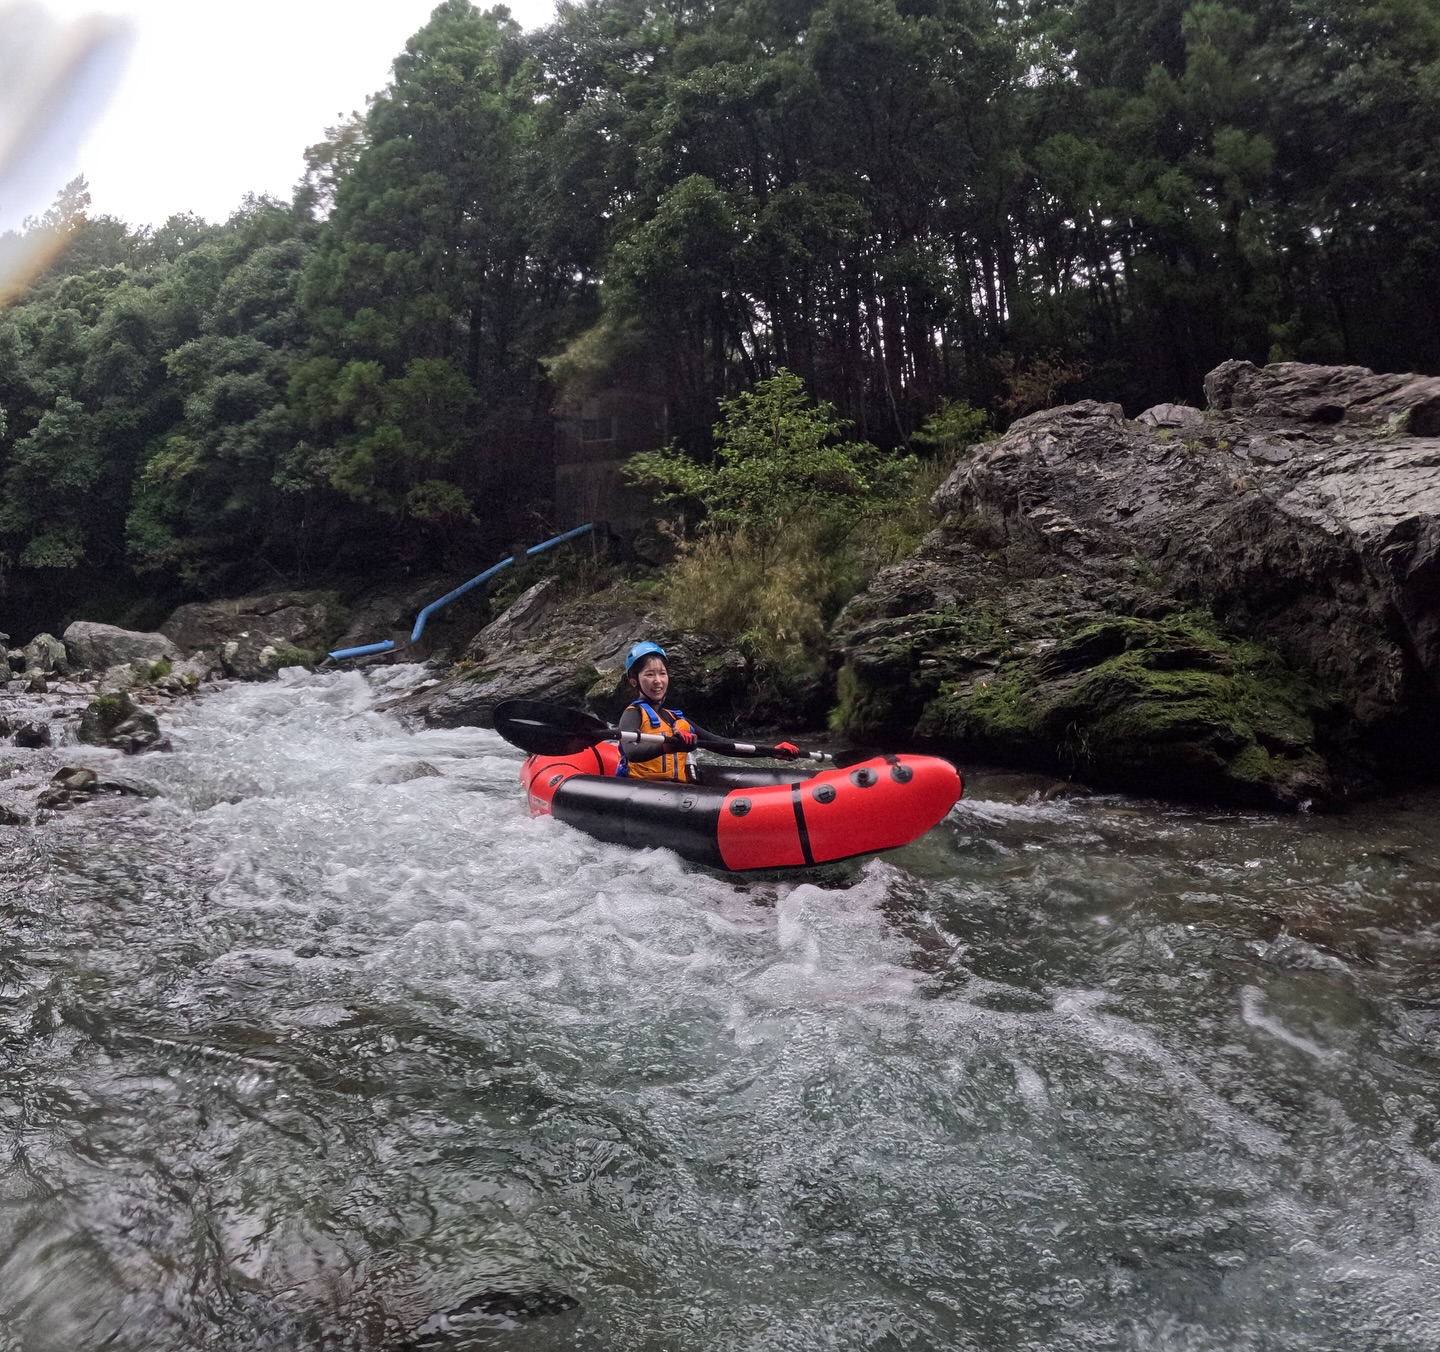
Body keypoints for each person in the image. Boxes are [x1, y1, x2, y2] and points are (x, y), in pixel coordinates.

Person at [617, 641, 799, 782]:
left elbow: (721, 745)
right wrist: (667, 746)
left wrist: (770, 751)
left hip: (673, 791)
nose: (658, 681)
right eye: (649, 674)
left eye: (662, 673)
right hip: (642, 788)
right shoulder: (633, 714)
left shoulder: (676, 719)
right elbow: (631, 752)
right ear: (634, 681)